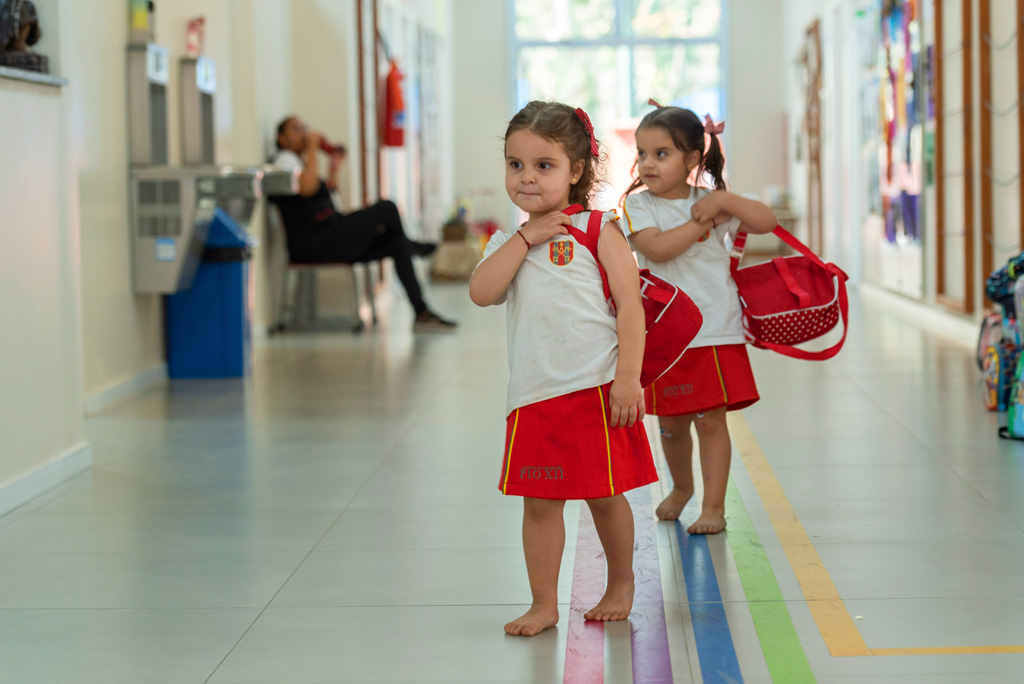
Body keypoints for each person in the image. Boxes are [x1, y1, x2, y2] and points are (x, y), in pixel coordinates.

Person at [469, 101, 657, 637]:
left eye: (543, 165)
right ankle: (544, 602)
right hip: (534, 396)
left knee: (604, 494)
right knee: (540, 504)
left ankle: (621, 583)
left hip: (597, 391)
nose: (527, 177)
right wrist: (527, 238)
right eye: (515, 164)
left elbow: (630, 307)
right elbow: (482, 292)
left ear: (576, 171)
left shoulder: (600, 231)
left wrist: (628, 380)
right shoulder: (509, 242)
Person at [622, 105, 777, 535]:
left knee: (711, 420)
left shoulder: (711, 202)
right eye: (642, 154)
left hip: (715, 329)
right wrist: (703, 223)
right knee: (671, 425)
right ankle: (682, 487)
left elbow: (768, 221)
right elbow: (657, 250)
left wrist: (724, 200)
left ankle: (714, 507)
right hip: (667, 336)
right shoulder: (637, 207)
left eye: (661, 153)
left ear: (692, 159)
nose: (647, 163)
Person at [271, 115, 457, 332]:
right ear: (281, 138)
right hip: (313, 242)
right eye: (296, 129)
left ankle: (421, 312)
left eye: (305, 128)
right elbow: (307, 189)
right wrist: (313, 148)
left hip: (327, 234)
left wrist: (333, 170)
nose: (304, 133)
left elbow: (325, 201)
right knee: (387, 208)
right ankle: (412, 245)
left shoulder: (299, 163)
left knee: (395, 242)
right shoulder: (283, 159)